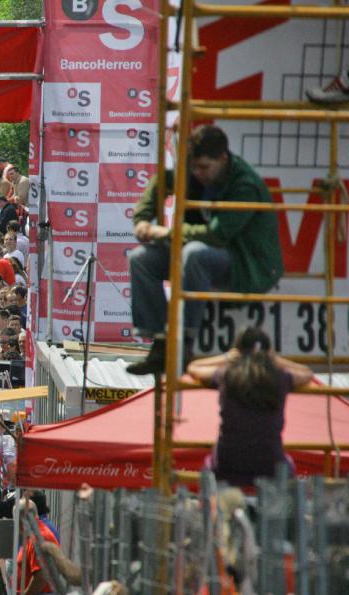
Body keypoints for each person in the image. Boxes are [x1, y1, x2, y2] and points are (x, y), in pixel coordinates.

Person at [127, 125, 283, 374]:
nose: (198, 174)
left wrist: (167, 232)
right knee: (141, 259)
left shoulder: (244, 185)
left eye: (204, 167)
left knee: (195, 254)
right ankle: (160, 343)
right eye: (194, 167)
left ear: (222, 158)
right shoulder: (196, 171)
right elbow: (161, 182)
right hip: (212, 255)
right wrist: (143, 219)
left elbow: (217, 235)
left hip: (245, 264)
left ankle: (184, 343)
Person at [185, 327, 314, 487]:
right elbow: (307, 373)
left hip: (228, 461)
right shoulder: (281, 378)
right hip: (271, 462)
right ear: (269, 352)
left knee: (210, 468)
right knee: (287, 467)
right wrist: (275, 359)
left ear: (238, 351)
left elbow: (194, 367)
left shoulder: (227, 374)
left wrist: (227, 357)